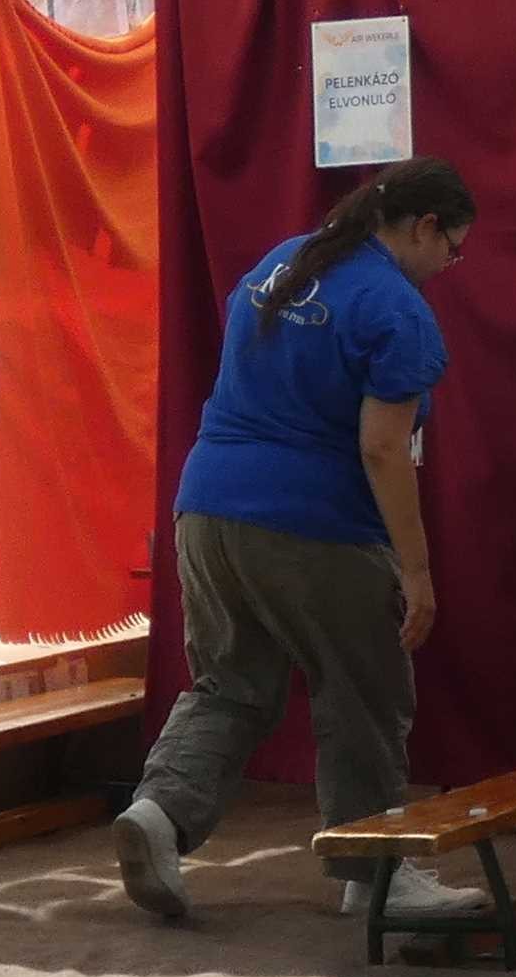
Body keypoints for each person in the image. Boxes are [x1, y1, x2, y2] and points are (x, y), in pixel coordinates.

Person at [113, 158, 483, 927]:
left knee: (230, 684)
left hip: (207, 506)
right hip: (313, 522)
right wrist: (418, 572)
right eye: (453, 249)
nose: (451, 266)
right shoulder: (396, 307)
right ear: (423, 227)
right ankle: (375, 873)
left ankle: (159, 814)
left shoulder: (282, 264)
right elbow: (383, 448)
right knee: (363, 692)